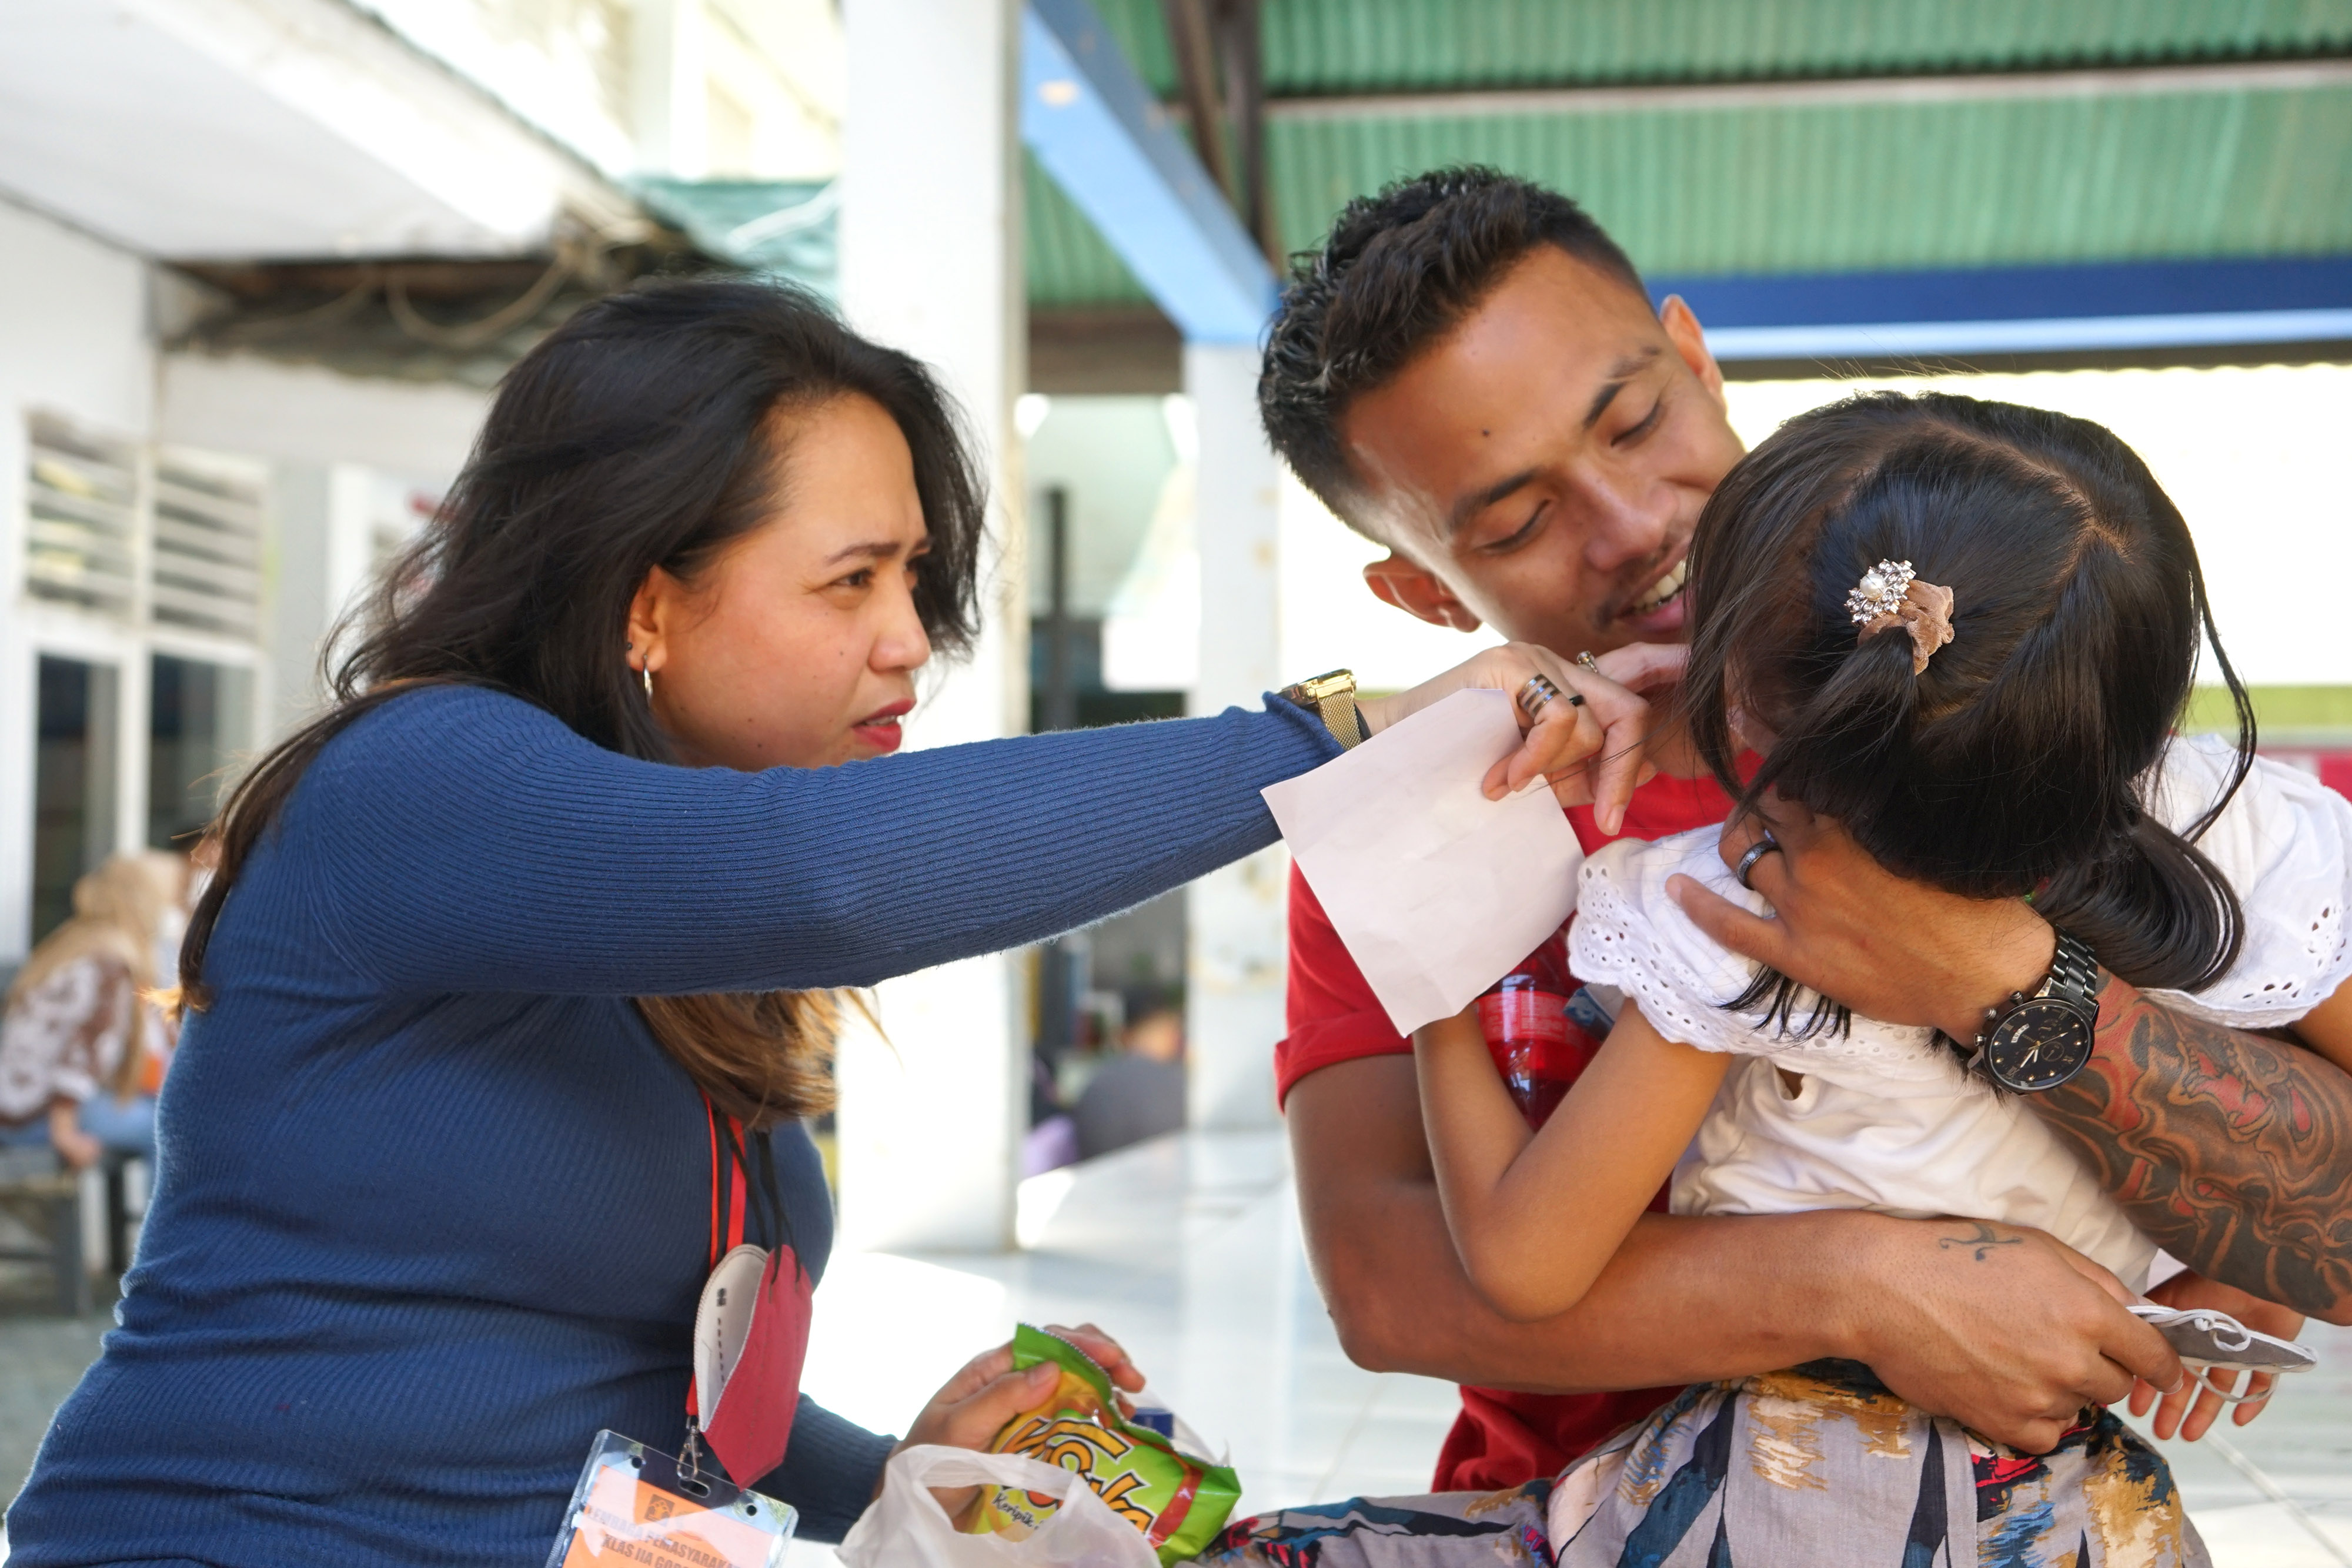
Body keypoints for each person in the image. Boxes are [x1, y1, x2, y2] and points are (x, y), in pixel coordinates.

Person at [1, 280, 1603, 1567]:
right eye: (850, 583)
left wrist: (906, 1467)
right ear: (646, 598)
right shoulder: (416, 779)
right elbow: (828, 881)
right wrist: (1321, 733)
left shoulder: (675, 925)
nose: (912, 639)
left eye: (916, 575)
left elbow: (674, 1407)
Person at [1252, 168, 2352, 1508]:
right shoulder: (1417, 821)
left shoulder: (2023, 699)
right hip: (1559, 1514)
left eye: (1634, 421)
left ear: (1696, 359)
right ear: (1423, 589)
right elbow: (1385, 1288)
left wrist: (1977, 974)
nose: (1632, 528)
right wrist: (1866, 1284)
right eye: (1518, 520)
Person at [1411, 392, 2348, 1565]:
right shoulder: (2227, 825)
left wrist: (1431, 978)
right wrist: (2241, 1259)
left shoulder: (1737, 907)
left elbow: (1520, 1260)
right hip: (2076, 1518)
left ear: (1748, 691)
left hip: (1781, 1507)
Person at [0, 852, 185, 1169]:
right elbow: (82, 1051)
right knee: (174, 1131)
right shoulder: (110, 963)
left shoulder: (75, 941)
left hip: (17, 1103)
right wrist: (65, 1134)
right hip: (37, 1114)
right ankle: (167, 1220)